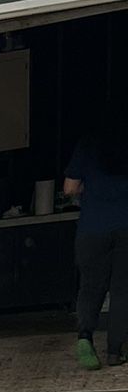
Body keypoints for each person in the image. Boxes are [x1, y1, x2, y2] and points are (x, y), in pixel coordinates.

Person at [65, 131, 128, 369]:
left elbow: (70, 188)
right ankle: (115, 351)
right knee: (122, 290)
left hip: (92, 228)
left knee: (91, 286)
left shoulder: (88, 143)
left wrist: (89, 187)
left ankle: (85, 337)